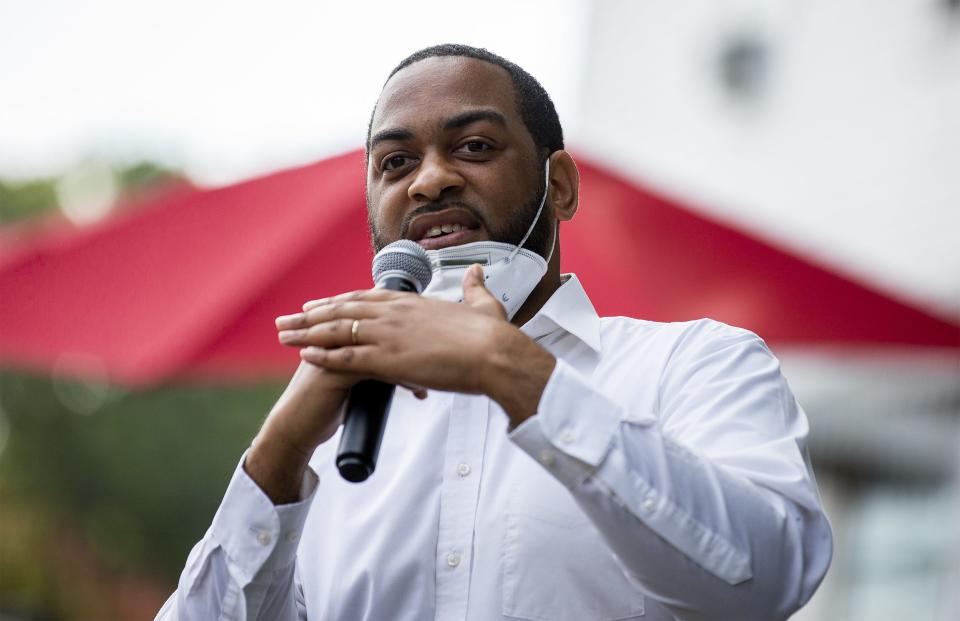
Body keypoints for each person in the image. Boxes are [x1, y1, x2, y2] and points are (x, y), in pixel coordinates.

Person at [157, 44, 832, 621]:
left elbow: (765, 578)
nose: (429, 180)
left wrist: (516, 373)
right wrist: (277, 453)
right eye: (395, 163)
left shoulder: (696, 363)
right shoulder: (331, 438)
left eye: (474, 146)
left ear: (560, 185)